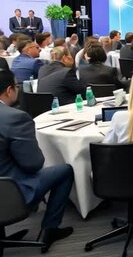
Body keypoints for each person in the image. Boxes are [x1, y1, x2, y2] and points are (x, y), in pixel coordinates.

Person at [0, 69, 74, 251]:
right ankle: (50, 229)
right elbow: (33, 164)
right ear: (9, 90)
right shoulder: (15, 118)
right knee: (65, 170)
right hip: (11, 191)